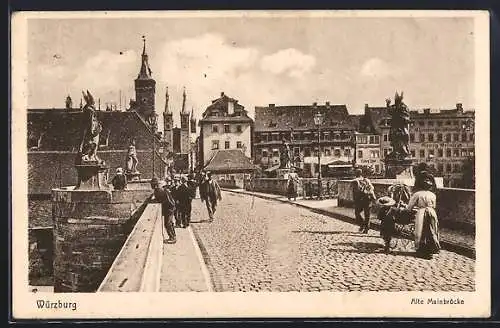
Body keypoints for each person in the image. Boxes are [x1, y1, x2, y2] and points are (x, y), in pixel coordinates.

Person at [406, 178, 441, 259]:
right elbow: (434, 206)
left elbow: (409, 207)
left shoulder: (417, 194)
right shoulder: (433, 195)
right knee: (432, 229)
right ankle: (432, 248)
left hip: (422, 212)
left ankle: (422, 249)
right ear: (430, 187)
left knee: (420, 230)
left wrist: (408, 209)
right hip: (432, 212)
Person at [150, 177, 176, 244]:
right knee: (169, 223)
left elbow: (160, 200)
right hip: (170, 207)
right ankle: (173, 236)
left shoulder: (158, 190)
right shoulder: (161, 189)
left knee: (168, 223)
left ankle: (172, 238)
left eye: (152, 184)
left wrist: (153, 200)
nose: (151, 186)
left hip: (169, 208)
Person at [352, 168, 376, 233]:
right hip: (368, 199)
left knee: (357, 213)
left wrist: (354, 200)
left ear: (356, 174)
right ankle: (366, 228)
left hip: (360, 200)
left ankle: (362, 225)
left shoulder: (355, 181)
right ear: (361, 173)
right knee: (367, 215)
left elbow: (356, 191)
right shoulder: (367, 180)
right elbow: (372, 188)